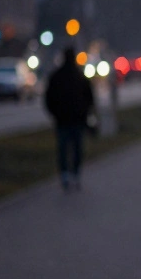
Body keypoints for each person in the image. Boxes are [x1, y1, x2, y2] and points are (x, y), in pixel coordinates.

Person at [44, 47, 95, 191]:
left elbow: (48, 98)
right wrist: (85, 113)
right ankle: (75, 173)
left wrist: (54, 113)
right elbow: (90, 98)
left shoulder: (56, 77)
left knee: (63, 149)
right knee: (77, 148)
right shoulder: (80, 77)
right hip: (78, 120)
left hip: (61, 121)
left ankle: (65, 174)